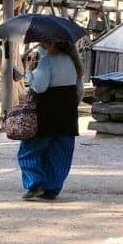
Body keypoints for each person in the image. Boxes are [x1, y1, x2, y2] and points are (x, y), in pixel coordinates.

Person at [18, 36, 82, 200]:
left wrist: (29, 73)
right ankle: (52, 188)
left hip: (45, 114)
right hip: (67, 115)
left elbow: (40, 87)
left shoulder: (48, 61)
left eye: (42, 43)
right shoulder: (74, 62)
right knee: (60, 153)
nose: (41, 46)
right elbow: (79, 92)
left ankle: (35, 184)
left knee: (30, 150)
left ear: (51, 43)